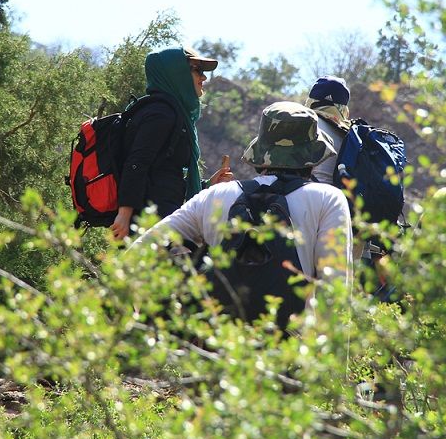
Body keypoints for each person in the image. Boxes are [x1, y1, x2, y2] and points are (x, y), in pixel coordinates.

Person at [131, 101, 354, 284]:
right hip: (294, 336)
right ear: (313, 158)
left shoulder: (215, 196)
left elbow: (138, 253)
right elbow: (335, 290)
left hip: (220, 335)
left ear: (261, 154)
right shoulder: (328, 200)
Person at [111, 47, 233, 239]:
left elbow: (164, 176)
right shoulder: (161, 113)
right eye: (196, 70)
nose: (204, 78)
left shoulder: (173, 112)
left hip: (161, 220)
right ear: (177, 75)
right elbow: (137, 163)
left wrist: (207, 185)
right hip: (150, 226)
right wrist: (124, 216)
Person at [305, 76, 351, 185]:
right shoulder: (351, 134)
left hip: (302, 194)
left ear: (310, 101)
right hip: (339, 199)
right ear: (344, 109)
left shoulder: (303, 123)